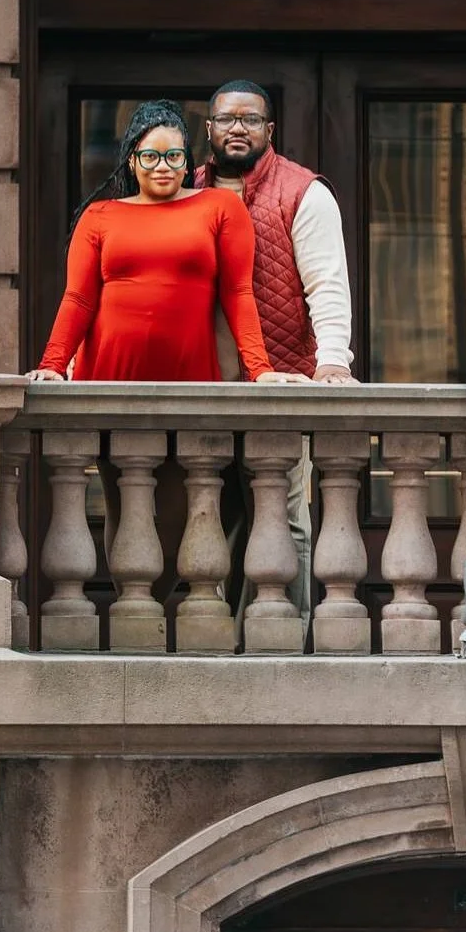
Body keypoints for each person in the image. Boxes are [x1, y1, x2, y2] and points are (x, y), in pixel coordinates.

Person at [195, 80, 356, 613]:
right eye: (226, 119)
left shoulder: (303, 191)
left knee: (285, 519)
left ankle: (289, 630)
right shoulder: (184, 190)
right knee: (209, 516)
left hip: (280, 382)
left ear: (269, 131)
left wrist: (333, 361)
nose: (237, 128)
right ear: (209, 128)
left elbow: (327, 284)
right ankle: (212, 635)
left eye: (250, 119)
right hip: (202, 387)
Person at [33, 99, 299, 385]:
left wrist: (260, 370)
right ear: (132, 161)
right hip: (106, 377)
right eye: (150, 156)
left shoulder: (220, 206)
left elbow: (237, 293)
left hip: (189, 379)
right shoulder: (99, 216)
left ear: (186, 162)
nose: (163, 166)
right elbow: (79, 299)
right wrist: (53, 365)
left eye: (174, 156)